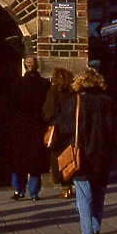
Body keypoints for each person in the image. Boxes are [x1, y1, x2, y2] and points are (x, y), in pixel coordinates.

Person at [49, 69, 117, 234]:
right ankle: (95, 228)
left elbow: (63, 127)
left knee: (84, 196)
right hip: (103, 156)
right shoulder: (107, 102)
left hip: (81, 156)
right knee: (99, 194)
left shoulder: (75, 102)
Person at [10, 56, 51, 201]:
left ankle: (18, 190)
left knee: (18, 160)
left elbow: (11, 108)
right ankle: (34, 192)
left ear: (24, 66)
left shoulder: (17, 84)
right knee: (35, 162)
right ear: (37, 66)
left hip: (19, 127)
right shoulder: (45, 84)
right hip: (38, 126)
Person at [43, 67, 76, 199]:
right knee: (71, 157)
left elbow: (48, 112)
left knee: (57, 159)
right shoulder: (74, 93)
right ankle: (69, 185)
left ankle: (65, 187)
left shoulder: (53, 92)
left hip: (58, 130)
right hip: (72, 129)